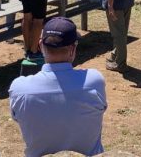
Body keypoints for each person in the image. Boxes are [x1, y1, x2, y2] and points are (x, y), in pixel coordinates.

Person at [9, 17, 107, 157]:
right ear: (73, 49)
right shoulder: (94, 81)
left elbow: (17, 117)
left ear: (40, 45)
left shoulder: (19, 88)